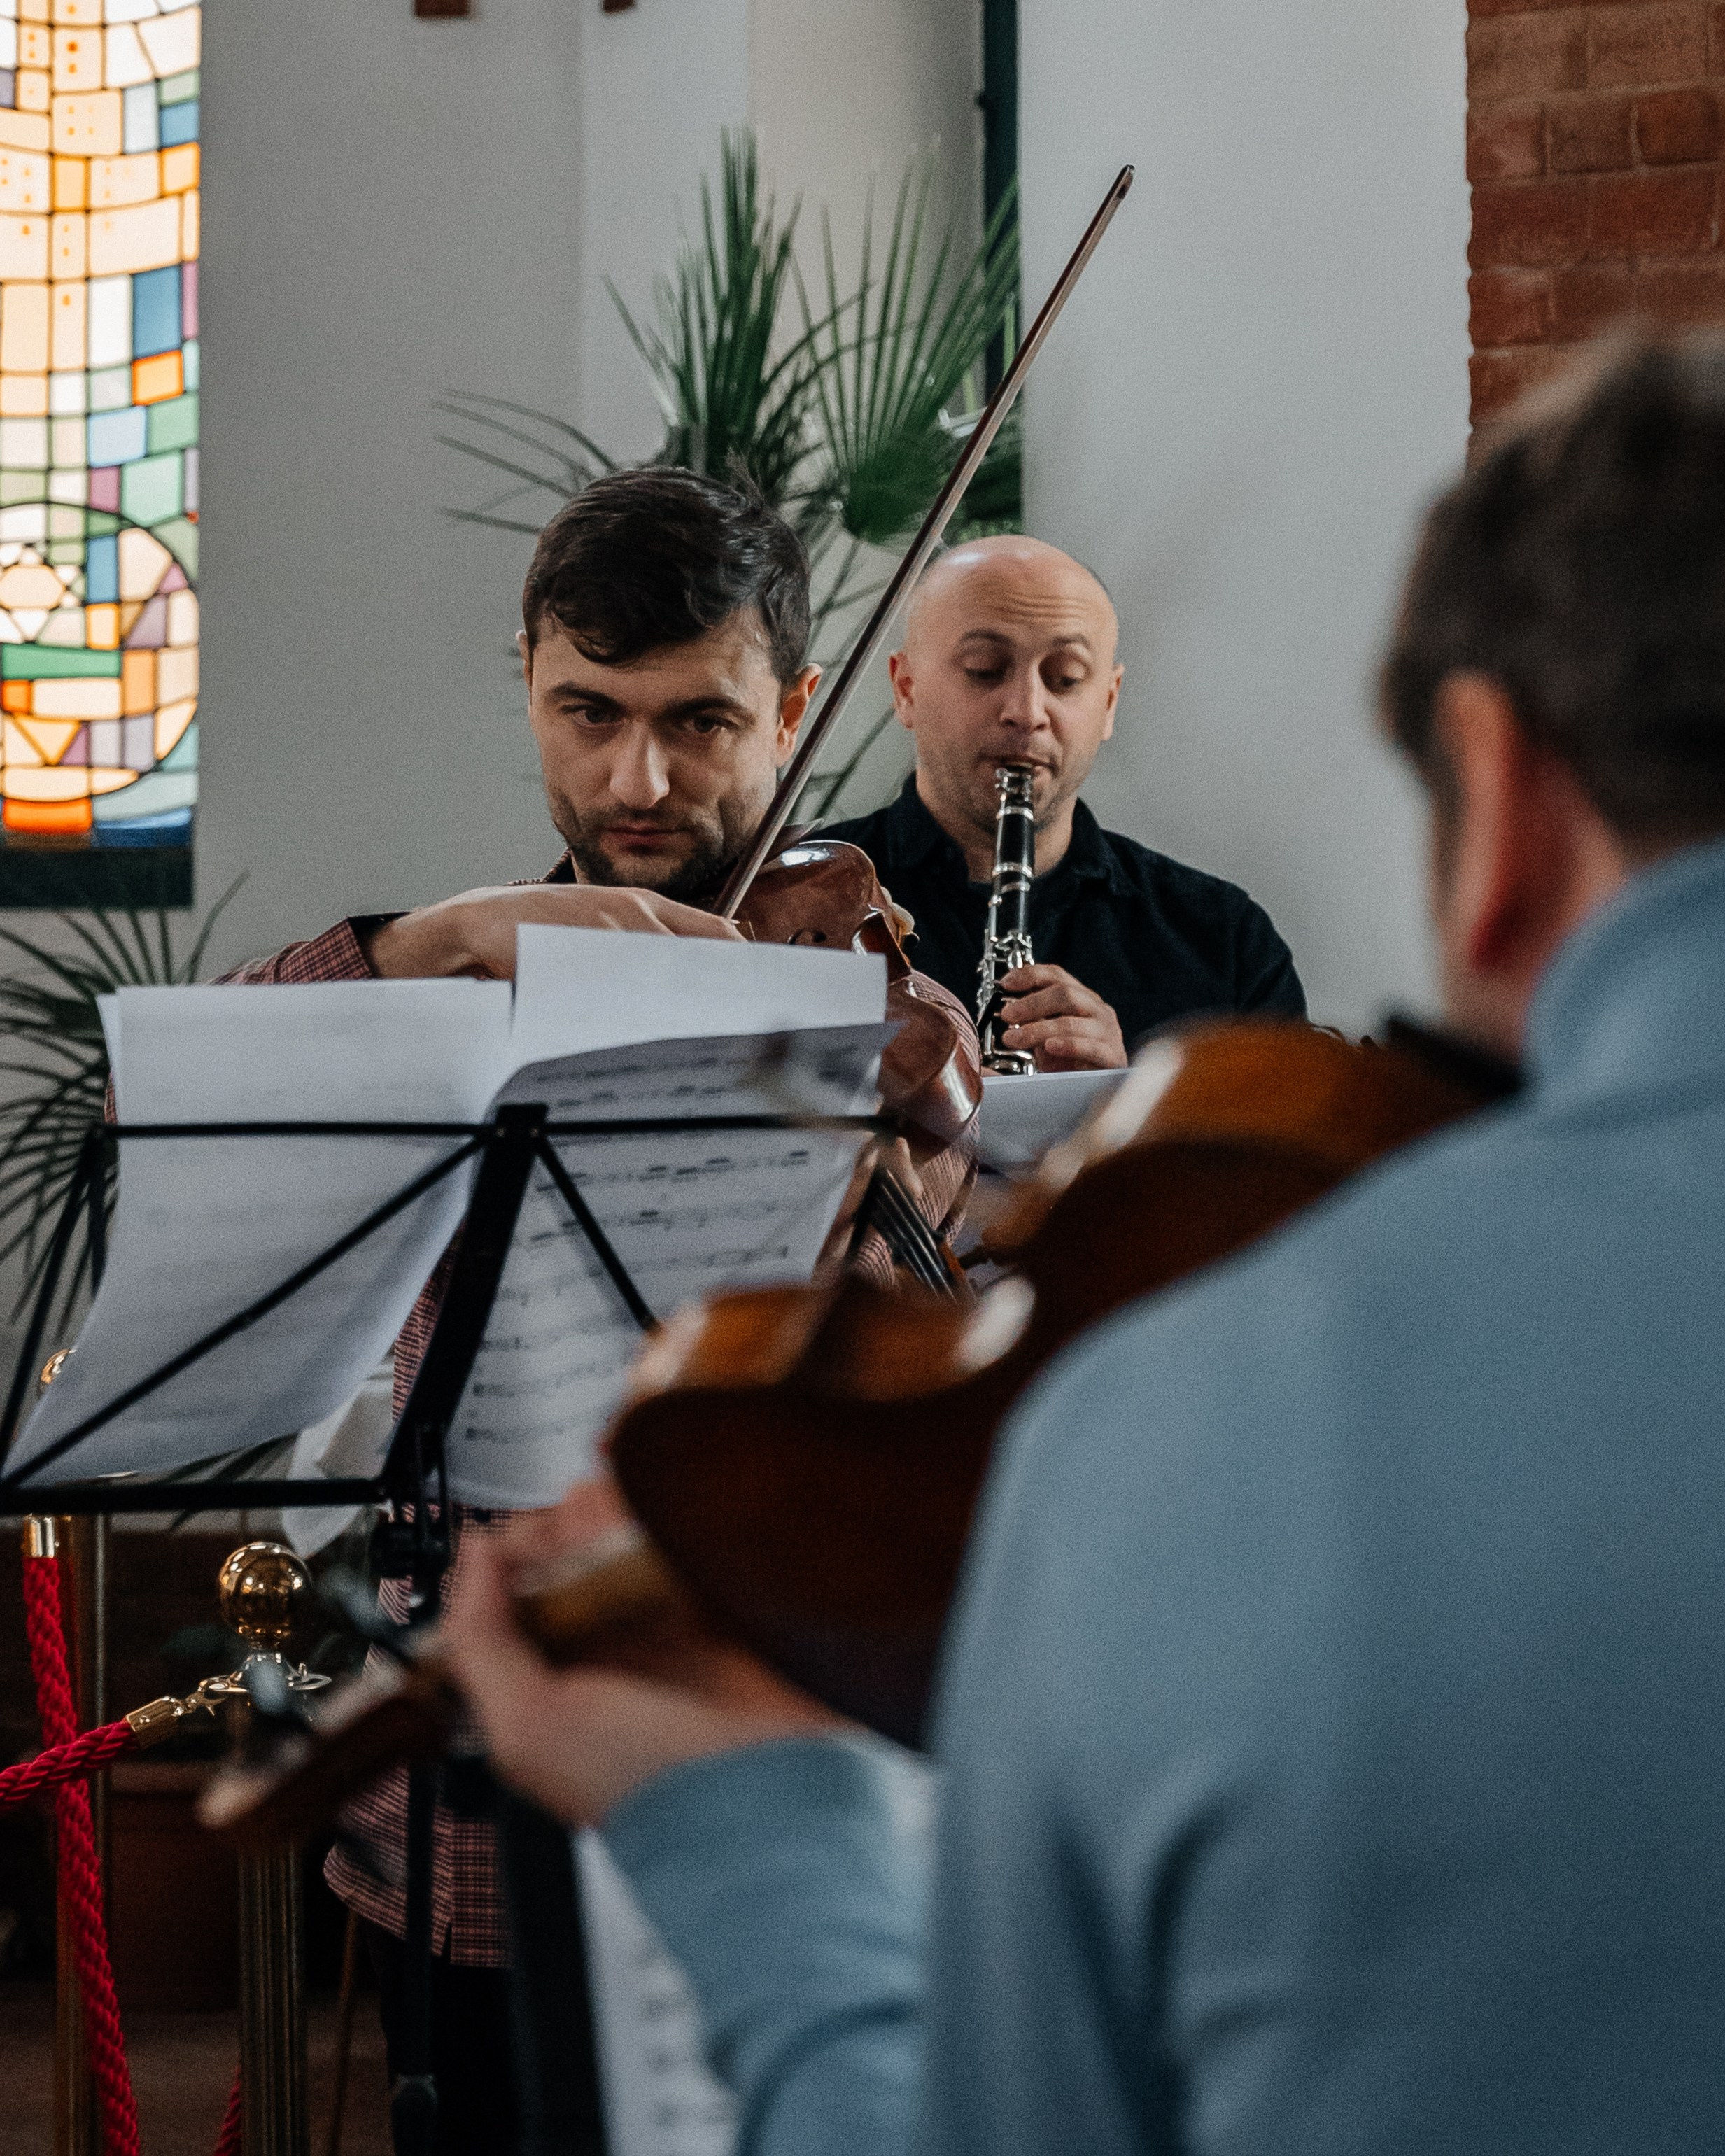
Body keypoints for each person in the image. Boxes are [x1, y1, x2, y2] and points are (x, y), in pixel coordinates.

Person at [446, 330, 1725, 2153]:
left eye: (1061, 674)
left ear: (1496, 796)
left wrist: (744, 1825)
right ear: (904, 689)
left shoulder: (1191, 1415)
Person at [213, 467, 979, 2153]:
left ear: (794, 707)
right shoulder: (445, 984)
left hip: (792, 1787)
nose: (637, 781)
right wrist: (440, 937)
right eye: (590, 713)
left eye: (700, 721)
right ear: (528, 686)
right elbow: (177, 1093)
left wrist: (908, 1198)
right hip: (471, 1817)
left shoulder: (884, 1024)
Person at [819, 534, 1305, 1069]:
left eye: (1065, 679)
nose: (1027, 711)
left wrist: (1120, 1100)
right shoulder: (791, 904)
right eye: (984, 669)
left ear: (1108, 703)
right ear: (906, 688)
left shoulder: (1227, 943)